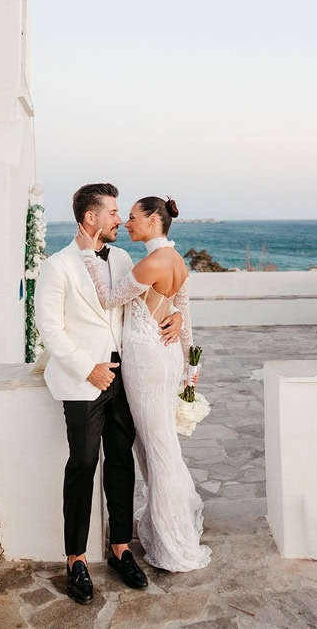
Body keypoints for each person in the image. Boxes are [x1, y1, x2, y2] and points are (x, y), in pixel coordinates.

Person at [34, 183, 184, 604]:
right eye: (114, 212)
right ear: (90, 218)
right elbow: (49, 329)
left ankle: (120, 548)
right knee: (83, 462)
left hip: (126, 377)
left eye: (122, 213)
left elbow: (142, 299)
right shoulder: (57, 266)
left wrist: (172, 316)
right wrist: (89, 368)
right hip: (83, 380)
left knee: (121, 460)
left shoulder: (120, 258)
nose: (120, 220)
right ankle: (76, 559)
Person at [76, 195, 211, 572]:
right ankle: (168, 525)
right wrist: (189, 362)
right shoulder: (176, 260)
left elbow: (107, 299)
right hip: (164, 359)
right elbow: (182, 312)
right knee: (158, 444)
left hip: (145, 360)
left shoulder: (153, 262)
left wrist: (88, 254)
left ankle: (174, 540)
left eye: (134, 217)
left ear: (154, 220)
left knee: (157, 447)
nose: (128, 223)